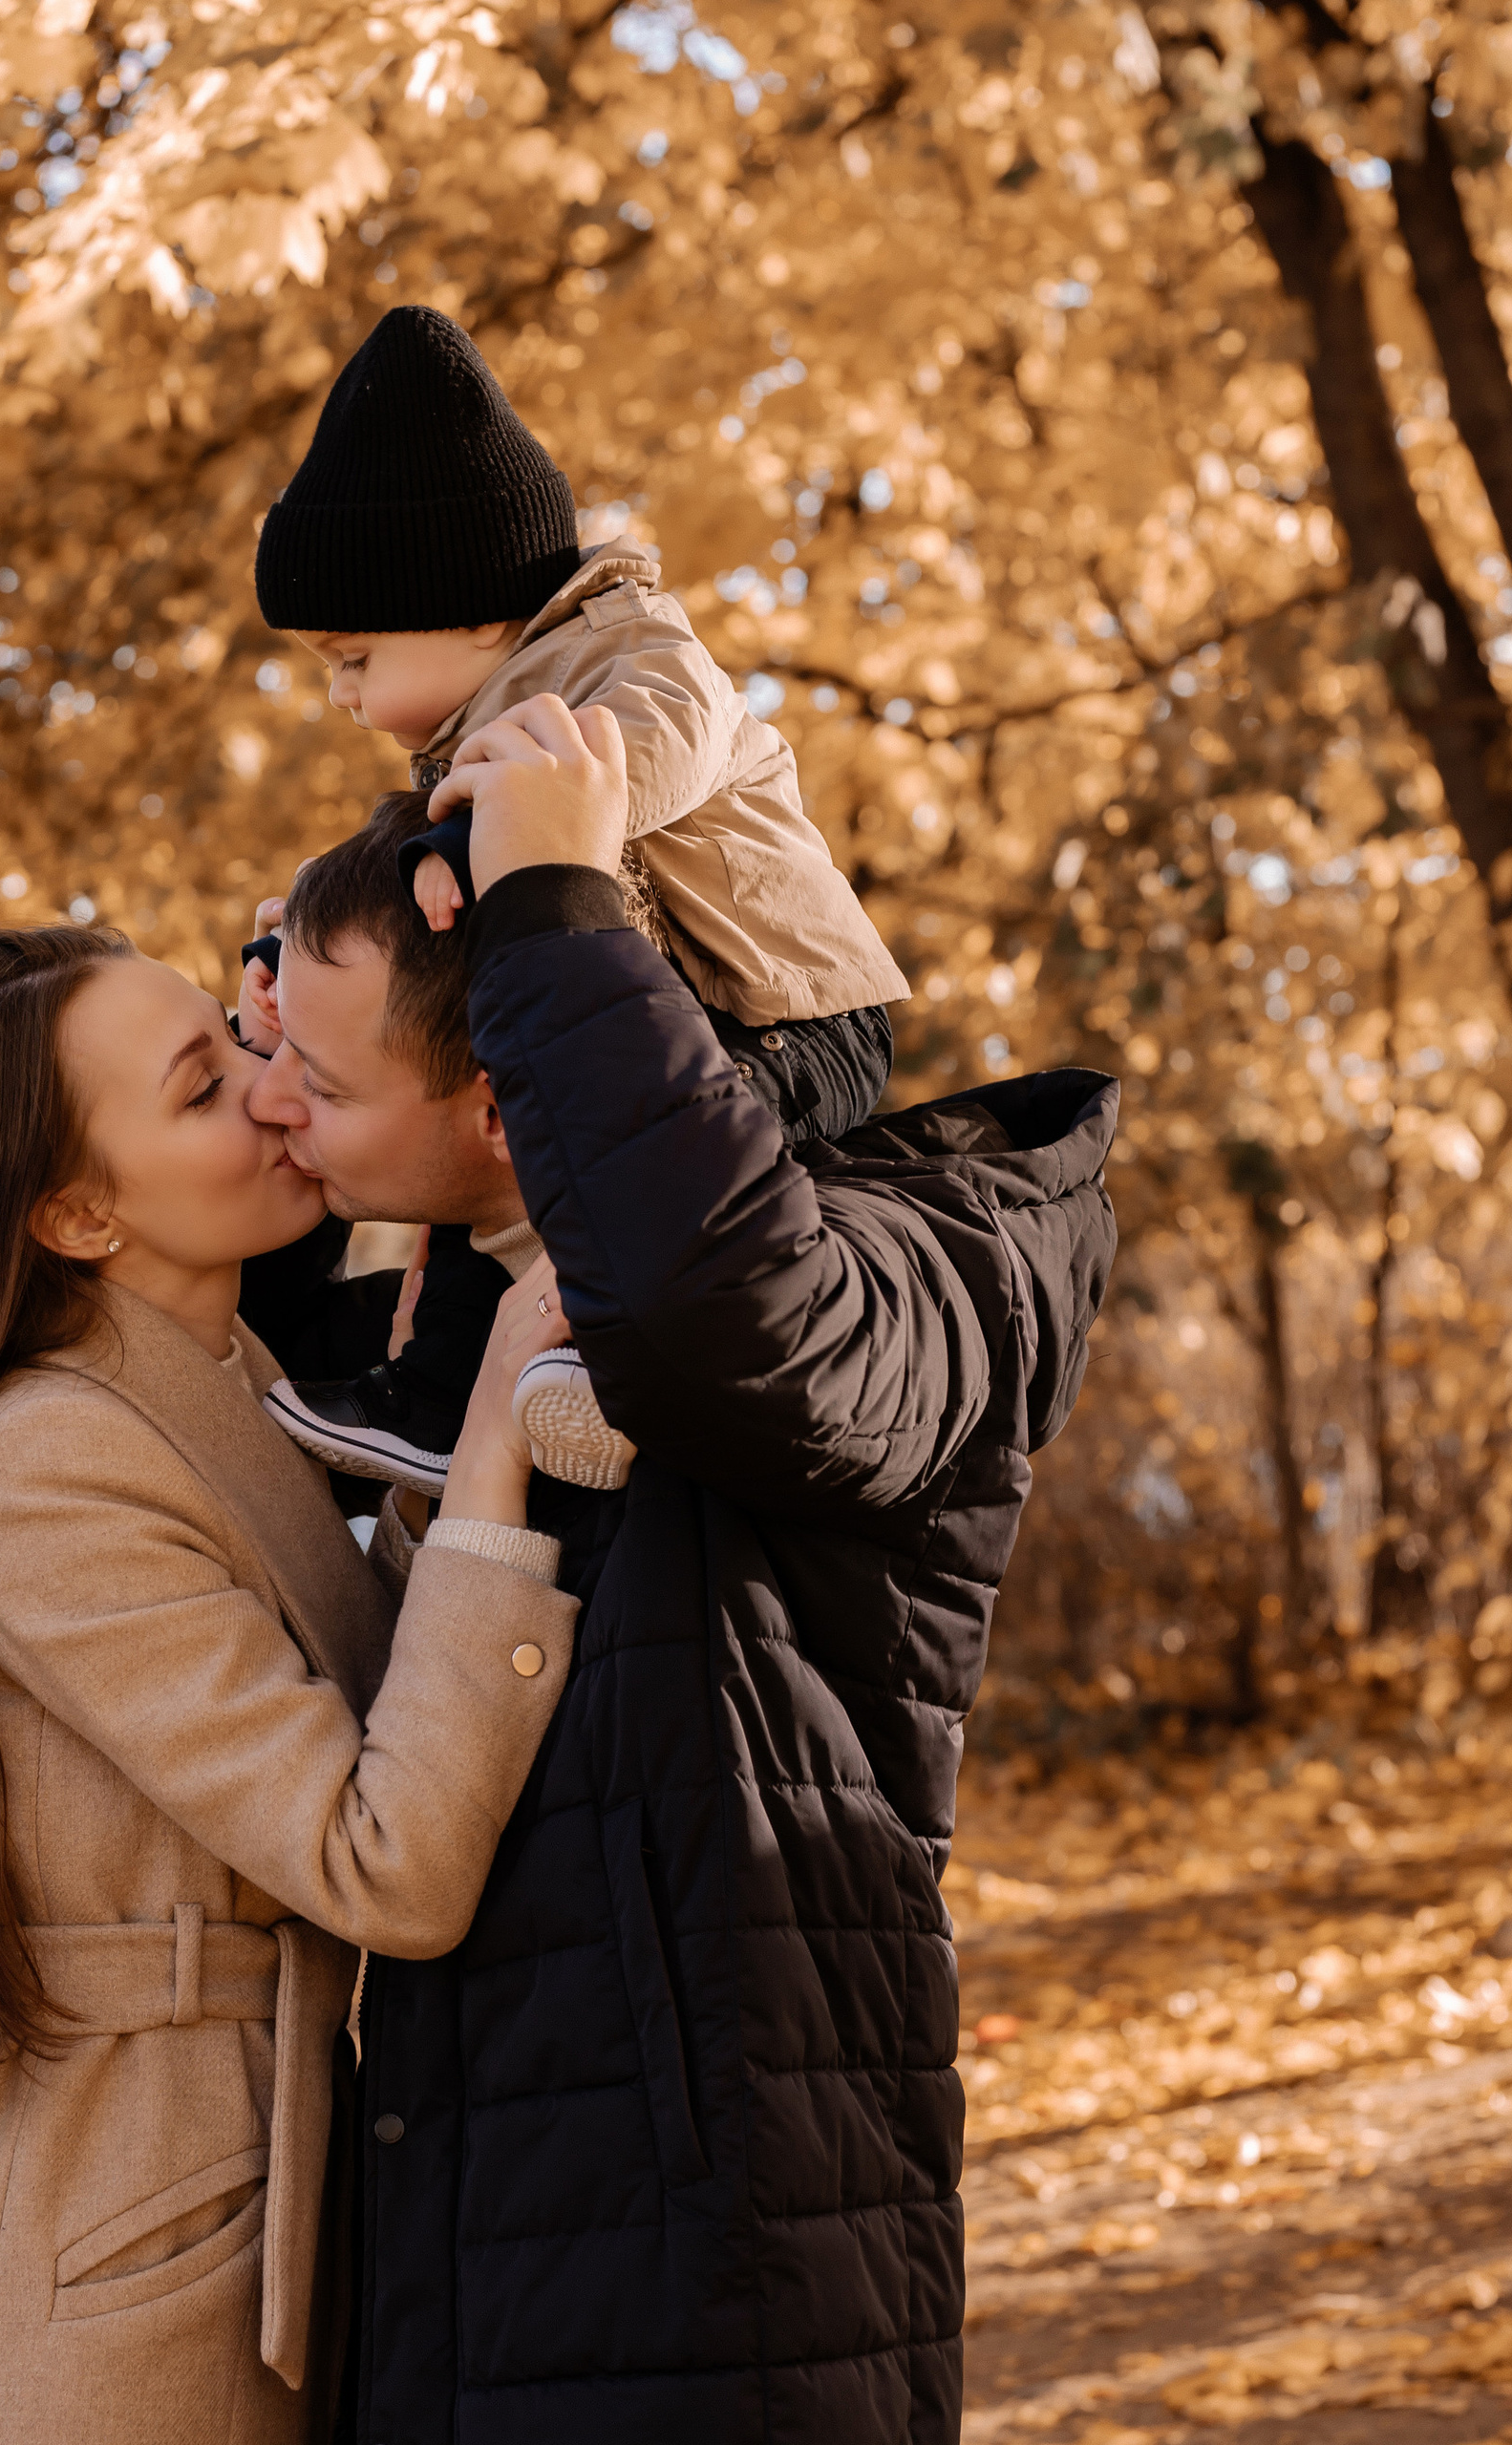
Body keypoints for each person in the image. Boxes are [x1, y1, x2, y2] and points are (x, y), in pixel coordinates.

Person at [240, 698, 1118, 2444]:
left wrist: (555, 909)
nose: (280, 1105)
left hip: (721, 2278)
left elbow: (741, 1322)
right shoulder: (494, 1303)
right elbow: (244, 1303)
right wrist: (299, 980)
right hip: (491, 2237)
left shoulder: (925, 1250)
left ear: (505, 1098)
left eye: (320, 1083)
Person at [0, 923, 581, 2445]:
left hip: (198, 2205)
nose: (269, 1093)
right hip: (87, 2291)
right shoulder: (49, 1462)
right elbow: (384, 1861)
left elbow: (366, 1682)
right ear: (75, 1211)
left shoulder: (216, 1389)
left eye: (245, 1044)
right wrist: (505, 1450)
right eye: (204, 1089)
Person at [245, 304, 909, 1499]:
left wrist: (486, 829)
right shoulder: (468, 739)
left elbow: (632, 764)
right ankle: (446, 1392)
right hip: (656, 1008)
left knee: (638, 1180)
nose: (341, 696)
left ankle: (608, 1371)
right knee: (482, 1109)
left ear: (465, 606)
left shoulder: (636, 653)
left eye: (352, 659)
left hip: (790, 1017)